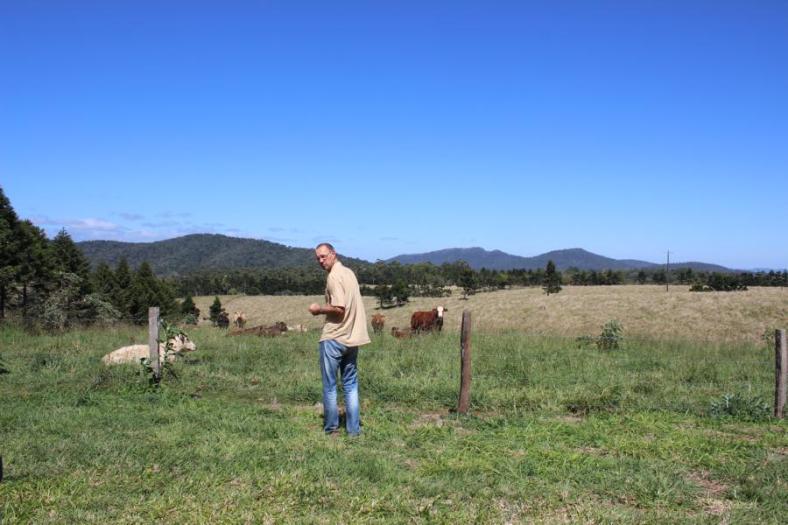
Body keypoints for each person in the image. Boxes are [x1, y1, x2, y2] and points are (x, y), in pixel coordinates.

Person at [309, 243, 370, 436]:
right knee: (350, 384)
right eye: (317, 258)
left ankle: (331, 428)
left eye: (323, 256)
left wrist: (319, 309)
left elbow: (339, 308)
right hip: (352, 339)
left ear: (333, 254)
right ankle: (353, 430)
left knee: (330, 385)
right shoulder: (349, 273)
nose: (320, 260)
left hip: (334, 337)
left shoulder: (334, 277)